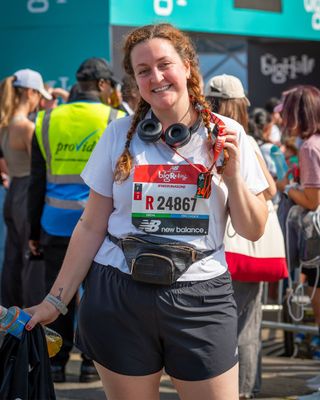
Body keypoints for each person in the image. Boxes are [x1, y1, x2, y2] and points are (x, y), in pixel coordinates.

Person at [25, 23, 268, 400]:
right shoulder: (118, 134)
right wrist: (55, 301)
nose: (155, 77)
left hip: (200, 297)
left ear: (187, 65)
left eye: (164, 64)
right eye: (143, 71)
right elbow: (90, 226)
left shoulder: (228, 133)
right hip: (118, 296)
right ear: (134, 80)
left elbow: (253, 230)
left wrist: (233, 176)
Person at [27, 57, 126, 383]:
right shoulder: (118, 119)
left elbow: (36, 181)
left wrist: (32, 231)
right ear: (102, 85)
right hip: (103, 225)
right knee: (96, 296)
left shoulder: (45, 118)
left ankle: (55, 364)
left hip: (54, 221)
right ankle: (88, 363)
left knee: (56, 291)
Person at [205, 74, 282, 399]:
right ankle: (245, 388)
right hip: (240, 247)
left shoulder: (203, 136)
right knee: (245, 325)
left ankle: (243, 388)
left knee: (229, 326)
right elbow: (271, 189)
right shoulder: (243, 139)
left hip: (217, 248)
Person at [0, 69, 51, 308]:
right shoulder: (26, 127)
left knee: (12, 258)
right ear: (30, 92)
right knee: (32, 257)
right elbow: (40, 171)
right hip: (25, 193)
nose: (39, 101)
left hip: (12, 196)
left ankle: (9, 320)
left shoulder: (5, 124)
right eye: (37, 95)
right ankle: (31, 322)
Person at [276, 85, 320, 366]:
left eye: (287, 112)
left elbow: (312, 199)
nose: (282, 119)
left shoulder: (309, 147)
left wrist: (287, 187)